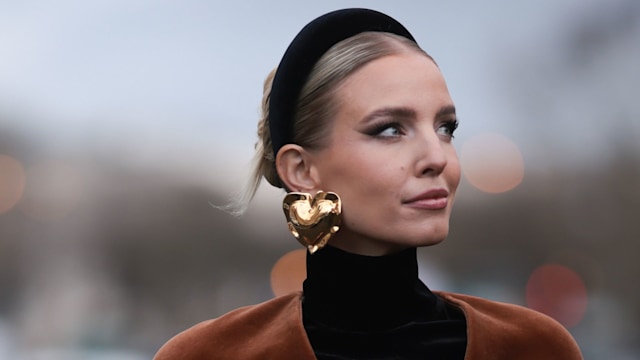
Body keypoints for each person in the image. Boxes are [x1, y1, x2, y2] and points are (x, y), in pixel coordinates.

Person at [154, 8, 583, 359]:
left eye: (446, 127)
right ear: (301, 170)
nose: (437, 157)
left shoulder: (532, 347)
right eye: (389, 129)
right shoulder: (209, 355)